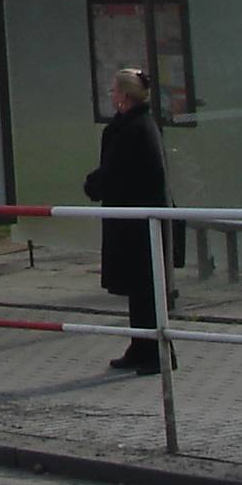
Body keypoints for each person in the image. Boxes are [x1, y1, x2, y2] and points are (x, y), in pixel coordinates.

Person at [85, 66, 170, 374]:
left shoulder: (135, 129)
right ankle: (140, 345)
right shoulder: (135, 126)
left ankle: (156, 352)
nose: (111, 95)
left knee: (145, 289)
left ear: (124, 96)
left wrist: (94, 184)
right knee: (137, 289)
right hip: (131, 220)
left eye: (114, 90)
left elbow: (119, 172)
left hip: (138, 221)